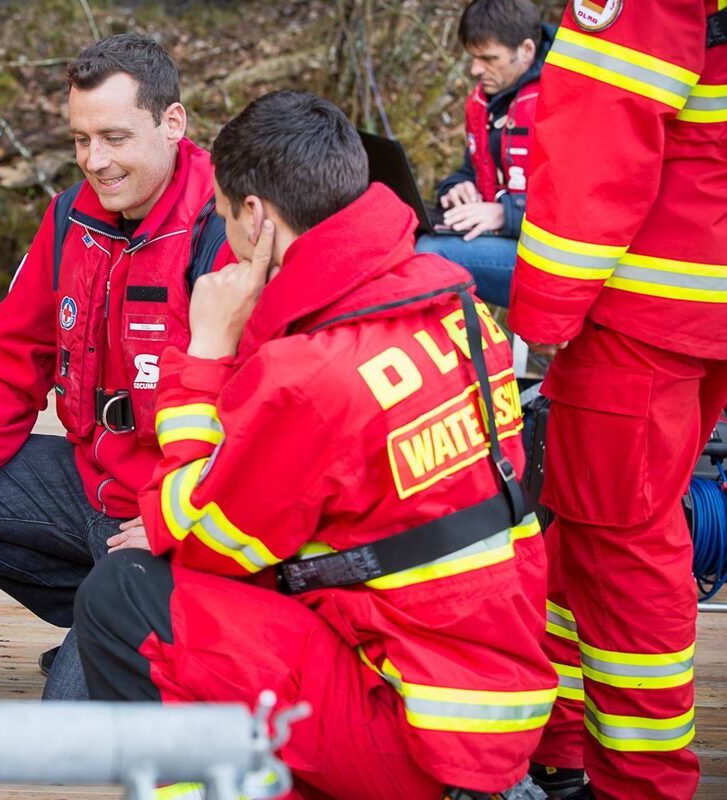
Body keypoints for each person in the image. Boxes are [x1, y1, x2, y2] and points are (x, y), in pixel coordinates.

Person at [74, 90, 556, 800]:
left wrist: (206, 349)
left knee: (123, 594)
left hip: (408, 734)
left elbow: (194, 537)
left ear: (254, 217)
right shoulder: (455, 301)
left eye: (219, 215)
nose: (220, 237)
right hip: (495, 709)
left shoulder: (310, 375)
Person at [0, 33, 230, 700]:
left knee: (64, 712)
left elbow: (266, 421)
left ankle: (132, 627)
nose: (94, 161)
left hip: (175, 525)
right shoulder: (70, 216)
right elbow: (12, 359)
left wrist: (175, 516)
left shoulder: (224, 230)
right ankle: (96, 620)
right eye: (79, 140)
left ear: (172, 122)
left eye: (114, 137)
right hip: (92, 487)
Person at [507, 0, 727, 797]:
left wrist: (543, 312)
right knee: (578, 521)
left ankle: (640, 781)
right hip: (693, 291)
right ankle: (561, 744)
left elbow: (601, 128)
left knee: (620, 541)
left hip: (638, 304)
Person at [415, 0, 555, 308]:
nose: (475, 69)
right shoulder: (492, 99)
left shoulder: (562, 102)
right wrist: (456, 188)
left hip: (553, 259)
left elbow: (581, 205)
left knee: (428, 256)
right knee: (405, 234)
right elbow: (471, 169)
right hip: (506, 238)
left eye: (489, 58)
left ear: (527, 50)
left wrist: (506, 213)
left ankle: (463, 352)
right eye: (473, 57)